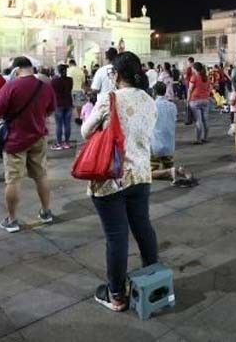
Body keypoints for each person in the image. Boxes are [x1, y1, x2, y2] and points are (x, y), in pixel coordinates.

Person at [81, 51, 159, 312]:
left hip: (112, 178)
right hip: (141, 175)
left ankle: (116, 294)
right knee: (143, 227)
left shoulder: (109, 98)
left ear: (117, 74)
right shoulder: (149, 100)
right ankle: (153, 277)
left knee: (116, 237)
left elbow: (85, 131)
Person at [0, 56, 56, 233]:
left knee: (13, 180)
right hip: (38, 137)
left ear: (16, 69)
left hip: (15, 140)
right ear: (31, 68)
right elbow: (50, 109)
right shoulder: (45, 87)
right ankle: (46, 212)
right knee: (41, 175)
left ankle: (12, 220)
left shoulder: (10, 86)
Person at [150, 82, 196, 186]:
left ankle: (173, 171)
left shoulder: (151, 106)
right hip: (169, 145)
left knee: (150, 173)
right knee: (168, 168)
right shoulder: (172, 106)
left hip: (155, 145)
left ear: (154, 92)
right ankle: (179, 171)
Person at [50, 64, 74, 150]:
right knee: (67, 124)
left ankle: (59, 143)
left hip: (58, 104)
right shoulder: (70, 80)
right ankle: (67, 142)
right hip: (68, 103)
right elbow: (70, 89)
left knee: (58, 124)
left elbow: (52, 92)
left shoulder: (54, 81)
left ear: (58, 71)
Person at [188, 62, 212, 144]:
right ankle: (205, 138)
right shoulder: (206, 77)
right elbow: (210, 88)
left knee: (199, 121)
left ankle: (198, 139)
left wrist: (188, 100)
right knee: (205, 120)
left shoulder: (194, 77)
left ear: (195, 69)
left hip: (195, 100)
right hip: (205, 100)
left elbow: (190, 89)